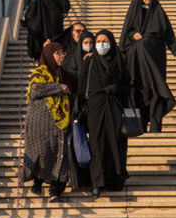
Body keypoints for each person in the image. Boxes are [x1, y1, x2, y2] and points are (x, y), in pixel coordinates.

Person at [120, 0, 176, 133]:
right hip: (138, 64)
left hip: (156, 60)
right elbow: (125, 36)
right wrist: (133, 35)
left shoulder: (158, 11)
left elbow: (169, 34)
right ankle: (137, 127)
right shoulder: (134, 12)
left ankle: (156, 129)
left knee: (156, 92)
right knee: (138, 92)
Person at [79, 29, 130, 199]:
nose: (102, 44)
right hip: (95, 108)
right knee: (97, 143)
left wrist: (117, 88)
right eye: (99, 41)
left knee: (115, 142)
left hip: (115, 107)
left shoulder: (119, 60)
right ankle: (97, 183)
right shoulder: (90, 61)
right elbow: (82, 87)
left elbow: (128, 85)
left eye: (105, 40)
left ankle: (115, 178)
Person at [23, 42, 76, 201]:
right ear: (48, 55)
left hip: (58, 122)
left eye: (63, 53)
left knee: (59, 152)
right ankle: (38, 180)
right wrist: (58, 88)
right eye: (58, 53)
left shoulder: (62, 74)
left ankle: (55, 190)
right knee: (42, 152)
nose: (62, 56)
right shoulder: (40, 72)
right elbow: (35, 90)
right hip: (38, 122)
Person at [67, 31, 94, 190]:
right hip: (77, 109)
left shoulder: (98, 61)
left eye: (91, 43)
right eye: (86, 43)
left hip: (95, 108)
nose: (89, 46)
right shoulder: (73, 62)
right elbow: (72, 77)